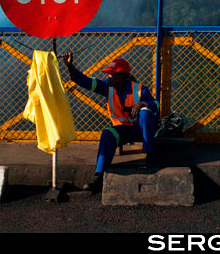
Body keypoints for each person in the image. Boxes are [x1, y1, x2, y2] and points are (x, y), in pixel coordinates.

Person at [62, 52, 160, 193]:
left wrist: (142, 104)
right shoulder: (107, 88)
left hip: (142, 130)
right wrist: (70, 66)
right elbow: (84, 81)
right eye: (108, 74)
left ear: (122, 77)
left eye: (111, 74)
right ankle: (99, 177)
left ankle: (150, 154)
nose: (108, 77)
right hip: (124, 131)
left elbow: (156, 104)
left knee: (145, 112)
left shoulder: (139, 89)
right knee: (107, 133)